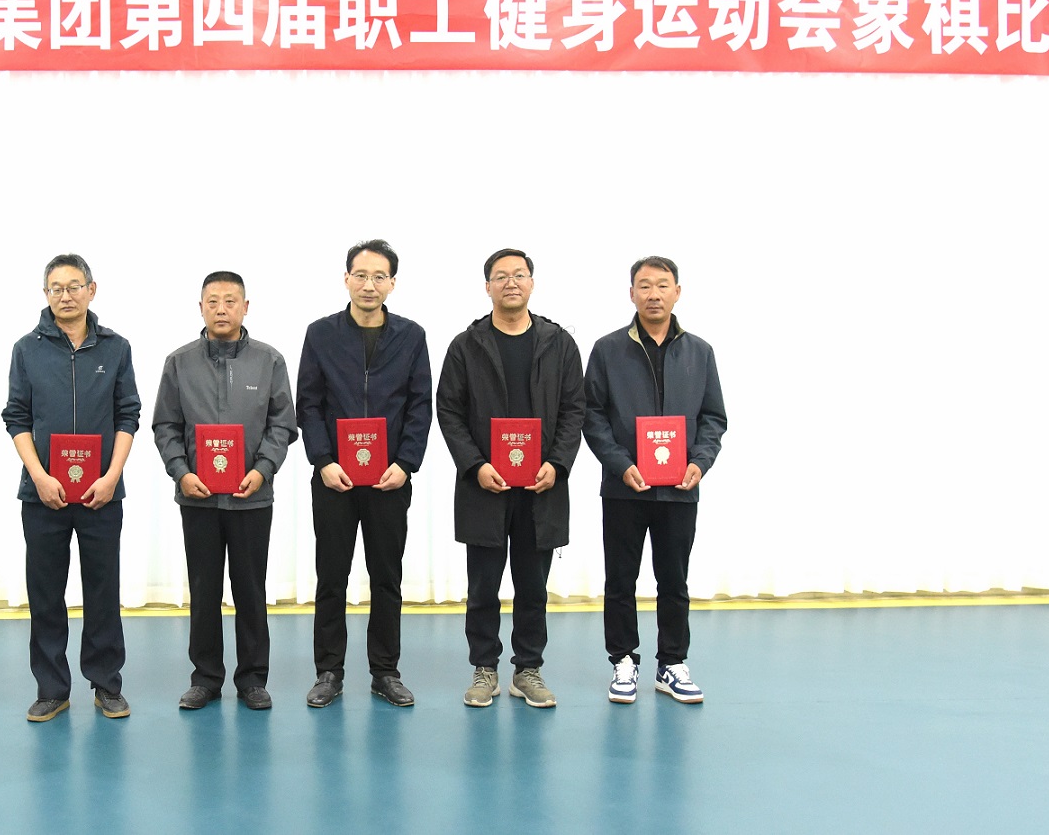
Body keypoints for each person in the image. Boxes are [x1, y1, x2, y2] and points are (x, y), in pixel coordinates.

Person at [435, 248, 585, 709]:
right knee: (482, 586)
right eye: (501, 276)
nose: (511, 283)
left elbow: (574, 409)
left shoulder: (559, 343)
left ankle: (528, 669)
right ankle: (484, 668)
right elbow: (449, 411)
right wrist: (475, 464)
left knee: (533, 586)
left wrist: (557, 464)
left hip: (541, 487)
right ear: (487, 287)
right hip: (485, 485)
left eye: (519, 274)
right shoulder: (467, 345)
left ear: (532, 283)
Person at [2, 254, 141, 722]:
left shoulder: (116, 348)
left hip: (102, 492)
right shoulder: (27, 349)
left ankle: (107, 685)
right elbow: (16, 417)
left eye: (74, 286)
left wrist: (112, 476)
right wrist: (39, 476)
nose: (66, 295)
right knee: (45, 593)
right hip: (43, 494)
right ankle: (51, 688)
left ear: (91, 290)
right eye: (56, 288)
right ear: (46, 294)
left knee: (103, 590)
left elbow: (128, 415)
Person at [583, 256, 727, 705]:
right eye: (644, 286)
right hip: (624, 487)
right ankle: (623, 661)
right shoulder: (608, 349)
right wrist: (619, 463)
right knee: (620, 580)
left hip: (680, 489)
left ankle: (672, 663)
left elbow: (713, 417)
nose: (653, 294)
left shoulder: (700, 351)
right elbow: (592, 415)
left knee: (674, 581)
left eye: (663, 285)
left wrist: (700, 462)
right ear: (631, 294)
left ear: (677, 292)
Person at [295, 239, 433, 708]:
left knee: (386, 577)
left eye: (379, 276)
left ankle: (385, 672)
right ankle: (328, 672)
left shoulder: (411, 336)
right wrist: (323, 460)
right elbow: (309, 403)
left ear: (392, 283)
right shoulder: (321, 334)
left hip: (389, 479)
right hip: (334, 478)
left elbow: (420, 405)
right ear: (346, 279)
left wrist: (405, 463)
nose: (369, 284)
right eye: (360, 275)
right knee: (331, 576)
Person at [152, 271, 298, 711]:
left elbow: (282, 425)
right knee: (204, 590)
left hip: (252, 497)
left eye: (230, 301)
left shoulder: (269, 361)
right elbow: (165, 425)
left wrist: (263, 469)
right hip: (197, 497)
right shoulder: (179, 363)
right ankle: (205, 678)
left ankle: (252, 679)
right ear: (200, 307)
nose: (221, 309)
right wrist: (181, 473)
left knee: (250, 590)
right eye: (212, 301)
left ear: (245, 307)